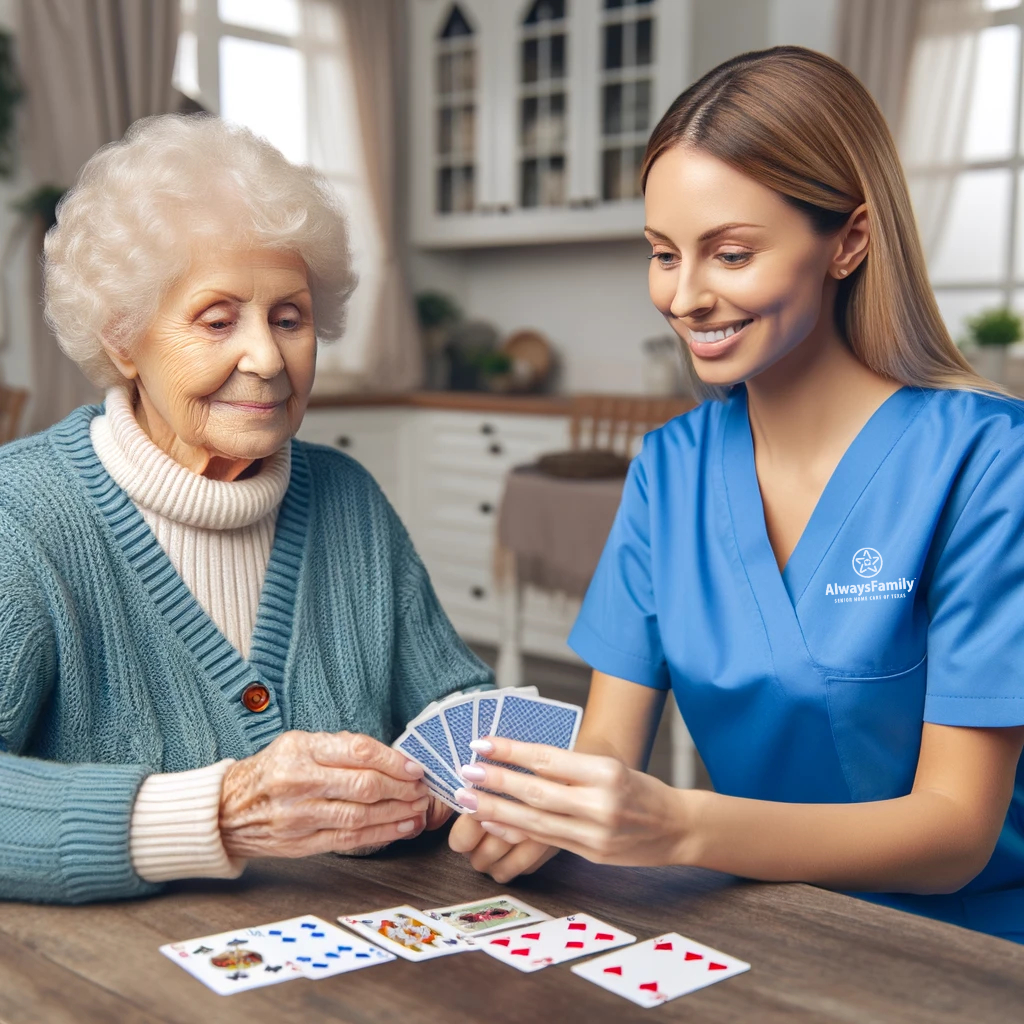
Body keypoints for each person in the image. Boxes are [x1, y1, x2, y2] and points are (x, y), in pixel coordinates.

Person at [448, 46, 1024, 945]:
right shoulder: (670, 468)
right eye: (663, 255)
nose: (685, 297)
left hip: (962, 949)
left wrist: (680, 826)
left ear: (850, 241)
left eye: (731, 253)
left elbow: (956, 832)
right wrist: (552, 811)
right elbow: (609, 744)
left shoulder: (990, 463)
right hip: (752, 925)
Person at [0, 114, 490, 905]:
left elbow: (450, 699)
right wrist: (219, 815)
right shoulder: (20, 516)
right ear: (124, 340)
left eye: (289, 319)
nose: (266, 359)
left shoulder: (347, 499)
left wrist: (476, 771)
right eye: (218, 320)